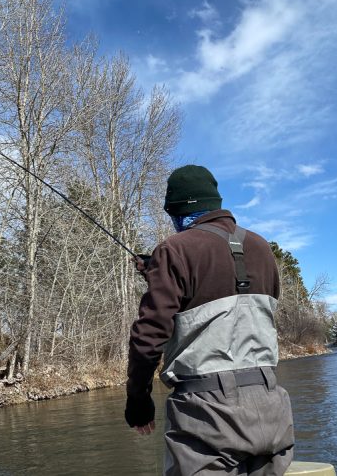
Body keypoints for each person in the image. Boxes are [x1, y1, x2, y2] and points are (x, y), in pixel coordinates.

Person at [125, 165, 295, 476]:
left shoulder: (174, 249)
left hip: (206, 414)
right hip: (272, 406)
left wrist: (138, 400)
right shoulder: (261, 247)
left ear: (177, 211)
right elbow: (231, 299)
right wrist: (159, 270)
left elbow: (148, 337)